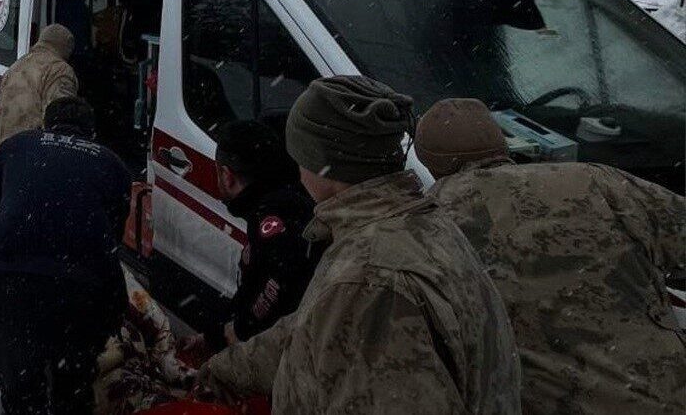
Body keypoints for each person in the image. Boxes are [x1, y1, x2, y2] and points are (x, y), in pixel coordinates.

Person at [197, 76, 521, 415]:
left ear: (318, 163)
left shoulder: (370, 281)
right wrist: (230, 369)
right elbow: (313, 330)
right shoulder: (416, 224)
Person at [415, 97, 686, 415]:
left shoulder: (425, 227)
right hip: (662, 396)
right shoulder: (595, 182)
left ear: (430, 163)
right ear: (503, 143)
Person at [0, 97, 130, 415]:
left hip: (10, 289)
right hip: (78, 299)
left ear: (45, 125)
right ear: (91, 133)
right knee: (73, 392)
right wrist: (112, 311)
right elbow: (110, 245)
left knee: (22, 395)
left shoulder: (18, 146)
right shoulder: (111, 164)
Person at [202, 120, 323, 351]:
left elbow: (279, 284)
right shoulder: (289, 197)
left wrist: (240, 330)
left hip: (291, 355)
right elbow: (254, 284)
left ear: (227, 176)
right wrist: (214, 334)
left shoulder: (272, 216)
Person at [0, 23, 78, 146]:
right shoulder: (60, 70)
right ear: (65, 47)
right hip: (33, 151)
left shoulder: (18, 65)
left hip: (5, 148)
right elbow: (60, 121)